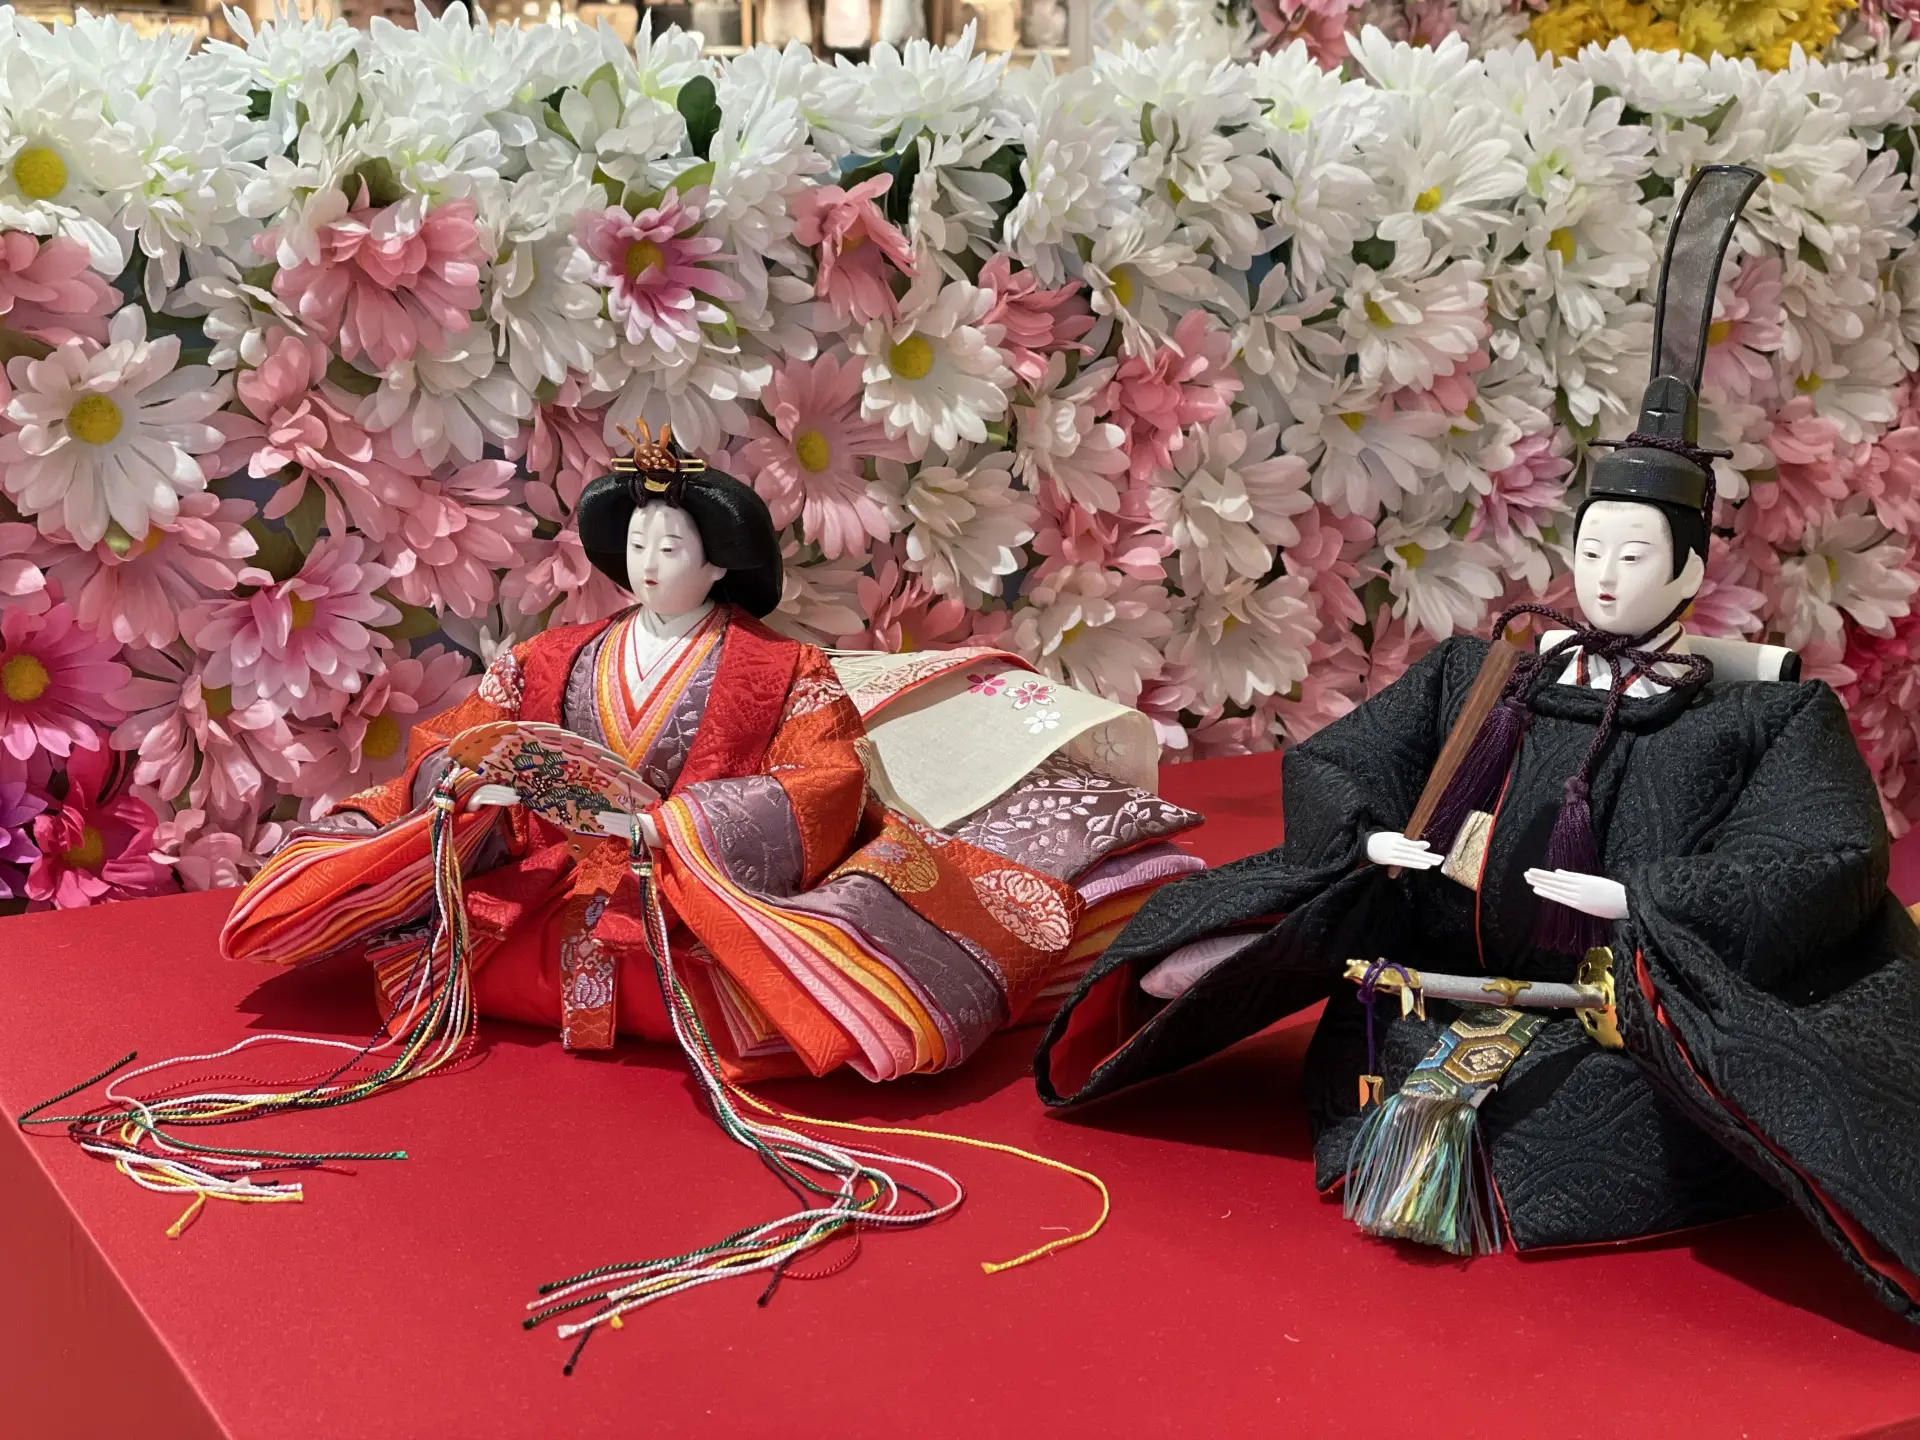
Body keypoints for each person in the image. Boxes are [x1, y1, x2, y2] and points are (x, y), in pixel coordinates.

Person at [1034, 165, 1920, 1324]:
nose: (1604, 577)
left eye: (1635, 558)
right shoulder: (1486, 674)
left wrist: (1637, 902)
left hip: (1627, 1034)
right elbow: (1349, 758)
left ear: (1692, 573)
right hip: (1427, 998)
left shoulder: (1759, 717)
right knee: (1219, 970)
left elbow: (1821, 857)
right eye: (1592, 552)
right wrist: (1373, 841)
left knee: (1599, 1129)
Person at [223, 423, 1202, 1082]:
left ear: (721, 561)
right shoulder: (550, 656)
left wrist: (674, 829)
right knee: (459, 935)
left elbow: (822, 783)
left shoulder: (782, 668)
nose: (651, 564)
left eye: (672, 547)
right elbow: (461, 735)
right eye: (639, 545)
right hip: (558, 884)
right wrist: (471, 779)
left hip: (699, 898)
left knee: (836, 959)